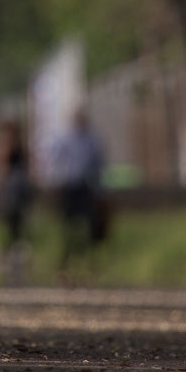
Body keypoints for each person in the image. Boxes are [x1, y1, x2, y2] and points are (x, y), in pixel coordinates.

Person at [52, 110, 104, 274]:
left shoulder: (91, 140)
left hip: (86, 185)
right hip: (70, 185)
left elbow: (99, 162)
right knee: (68, 225)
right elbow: (57, 158)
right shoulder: (67, 139)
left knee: (89, 224)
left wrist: (100, 187)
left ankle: (88, 260)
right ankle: (65, 260)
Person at [0, 119, 32, 283]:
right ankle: (14, 253)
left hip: (15, 190)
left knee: (16, 221)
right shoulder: (12, 147)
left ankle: (16, 254)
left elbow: (7, 167)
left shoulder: (16, 148)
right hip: (14, 190)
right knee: (13, 222)